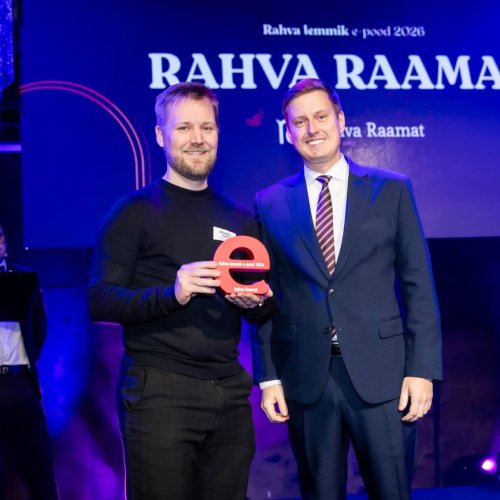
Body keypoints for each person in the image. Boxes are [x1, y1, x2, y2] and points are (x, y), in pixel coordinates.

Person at [252, 78, 442, 499]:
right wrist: (268, 377)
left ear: (340, 120)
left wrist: (422, 370)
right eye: (299, 121)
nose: (312, 129)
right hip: (306, 379)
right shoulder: (269, 203)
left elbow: (419, 285)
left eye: (321, 116)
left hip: (384, 378)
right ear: (288, 132)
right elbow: (266, 296)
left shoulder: (392, 189)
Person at [88, 82, 273, 500]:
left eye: (206, 128)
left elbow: (263, 306)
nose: (197, 138)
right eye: (184, 127)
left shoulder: (240, 218)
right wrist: (172, 293)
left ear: (218, 133)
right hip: (159, 392)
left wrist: (259, 303)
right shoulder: (133, 212)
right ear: (160, 135)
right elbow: (100, 300)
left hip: (229, 393)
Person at [0, 223, 59, 499]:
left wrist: (28, 363)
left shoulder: (23, 277)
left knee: (40, 467)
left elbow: (39, 324)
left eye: (0, 236)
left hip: (20, 383)